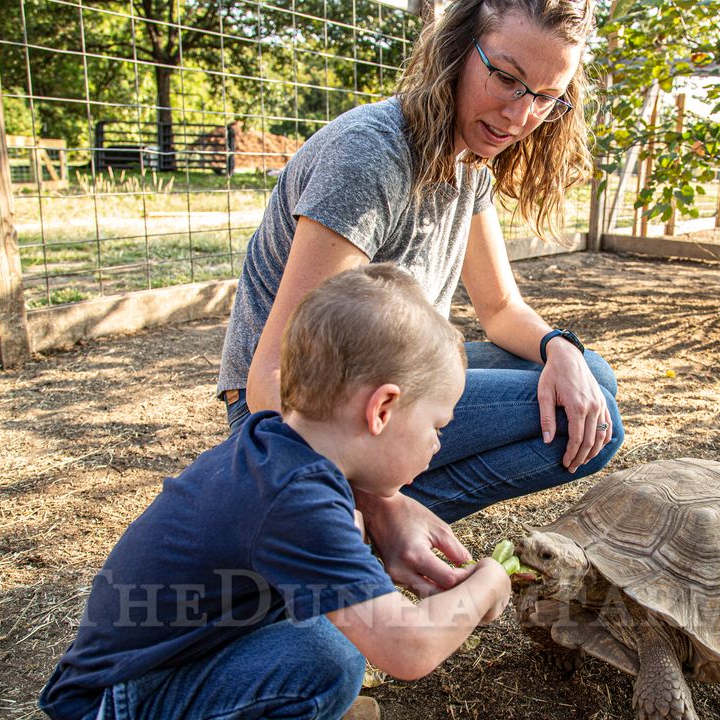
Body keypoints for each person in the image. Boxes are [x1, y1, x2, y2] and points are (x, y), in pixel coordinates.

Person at [216, 0, 624, 600]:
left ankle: (360, 530)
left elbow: (501, 309)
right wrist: (381, 501)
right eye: (506, 78)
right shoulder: (369, 156)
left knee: (588, 380)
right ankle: (330, 539)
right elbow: (273, 380)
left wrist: (560, 348)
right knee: (593, 422)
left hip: (387, 387)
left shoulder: (471, 159)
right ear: (457, 51)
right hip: (288, 423)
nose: (519, 114)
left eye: (545, 96)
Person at [39, 264, 512, 720]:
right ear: (382, 408)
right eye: (437, 424)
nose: (437, 442)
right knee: (328, 662)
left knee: (341, 608)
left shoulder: (275, 446)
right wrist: (488, 583)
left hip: (146, 673)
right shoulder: (296, 499)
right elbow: (408, 649)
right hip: (119, 701)